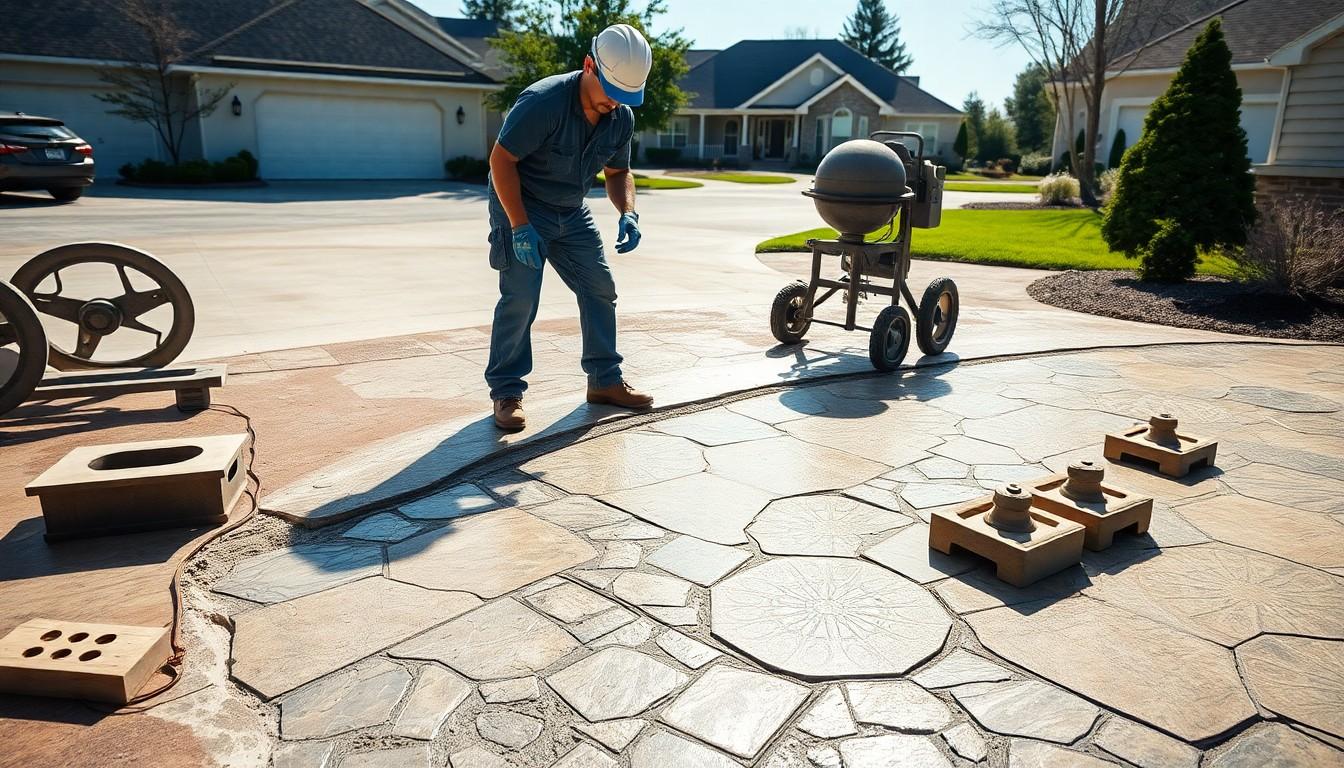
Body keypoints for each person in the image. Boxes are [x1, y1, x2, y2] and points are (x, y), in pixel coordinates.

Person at [484, 23, 655, 431]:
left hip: (571, 210)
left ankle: (604, 381)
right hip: (522, 206)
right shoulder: (543, 102)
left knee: (600, 288)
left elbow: (618, 172)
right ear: (589, 66)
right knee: (521, 297)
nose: (615, 103)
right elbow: (500, 162)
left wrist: (627, 211)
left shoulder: (620, 118)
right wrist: (519, 226)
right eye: (610, 92)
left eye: (624, 97)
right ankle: (507, 392)